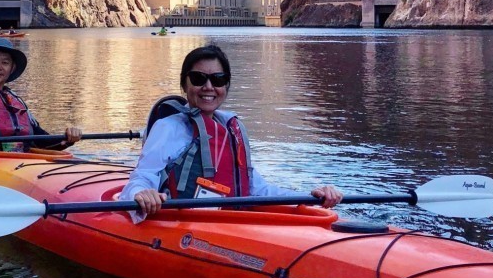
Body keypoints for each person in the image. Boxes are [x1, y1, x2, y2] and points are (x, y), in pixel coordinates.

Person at [121, 45, 343, 218]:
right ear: (184, 84)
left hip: (231, 224)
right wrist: (141, 193)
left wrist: (310, 197)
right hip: (180, 225)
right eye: (199, 79)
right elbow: (142, 177)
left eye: (218, 79)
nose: (209, 87)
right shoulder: (168, 128)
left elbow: (257, 188)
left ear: (226, 86)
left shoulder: (230, 130)